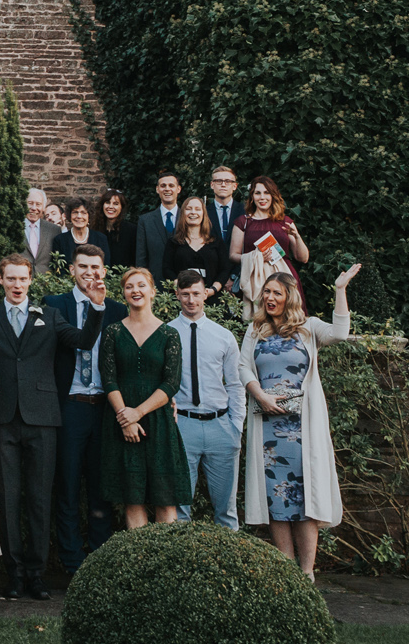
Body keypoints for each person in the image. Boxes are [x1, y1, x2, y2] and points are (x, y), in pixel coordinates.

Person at [0, 253, 103, 601]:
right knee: (8, 497)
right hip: (2, 416)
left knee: (41, 498)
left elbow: (83, 342)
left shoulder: (50, 316)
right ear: (0, 280)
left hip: (43, 417)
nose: (17, 285)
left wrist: (97, 309)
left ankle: (37, 575)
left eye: (22, 279)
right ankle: (14, 574)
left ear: (31, 281)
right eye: (10, 279)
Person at [240, 264, 359, 577]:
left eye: (276, 292)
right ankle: (286, 572)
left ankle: (306, 573)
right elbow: (242, 369)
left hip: (302, 428)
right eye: (266, 291)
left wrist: (340, 290)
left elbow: (340, 333)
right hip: (267, 427)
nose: (269, 297)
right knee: (275, 498)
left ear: (289, 297)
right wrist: (260, 396)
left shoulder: (309, 328)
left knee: (306, 499)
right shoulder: (255, 330)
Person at [43, 244, 124, 574]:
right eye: (83, 267)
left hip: (105, 407)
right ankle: (72, 562)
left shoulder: (117, 311)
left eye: (96, 267)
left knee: (102, 487)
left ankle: (100, 561)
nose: (90, 272)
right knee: (68, 485)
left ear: (104, 272)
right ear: (72, 270)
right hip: (70, 406)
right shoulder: (54, 305)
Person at [99, 266, 187, 528]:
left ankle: (165, 564)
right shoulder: (113, 332)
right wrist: (126, 419)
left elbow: (171, 382)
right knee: (132, 497)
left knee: (165, 497)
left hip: (158, 421)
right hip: (121, 420)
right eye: (129, 286)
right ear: (123, 293)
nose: (135, 291)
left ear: (152, 291)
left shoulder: (169, 334)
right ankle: (140, 564)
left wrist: (137, 413)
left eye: (140, 285)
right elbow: (109, 378)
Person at [168, 269, 243, 531]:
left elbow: (235, 384)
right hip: (181, 426)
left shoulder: (224, 336)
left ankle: (230, 567)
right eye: (185, 294)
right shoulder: (165, 334)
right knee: (178, 508)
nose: (191, 300)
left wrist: (237, 426)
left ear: (205, 295)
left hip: (220, 426)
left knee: (226, 509)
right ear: (177, 295)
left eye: (196, 294)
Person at [231, 176, 311, 299]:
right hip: (256, 279)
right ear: (252, 196)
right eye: (258, 193)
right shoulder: (243, 222)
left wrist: (297, 237)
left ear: (273, 195)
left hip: (284, 278)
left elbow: (303, 258)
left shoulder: (285, 221)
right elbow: (233, 255)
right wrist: (256, 256)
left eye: (266, 193)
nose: (262, 197)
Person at [164, 196, 230, 293]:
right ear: (183, 214)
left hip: (212, 301)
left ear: (203, 214)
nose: (193, 212)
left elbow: (225, 270)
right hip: (182, 299)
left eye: (198, 209)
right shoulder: (174, 242)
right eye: (188, 209)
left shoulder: (216, 242)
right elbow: (167, 269)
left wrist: (213, 290)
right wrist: (181, 289)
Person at [133, 172, 184, 272]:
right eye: (163, 186)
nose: (167, 189)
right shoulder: (145, 221)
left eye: (171, 185)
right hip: (155, 282)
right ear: (157, 189)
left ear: (178, 189)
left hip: (184, 281)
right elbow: (141, 257)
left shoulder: (187, 217)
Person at [50, 200, 96, 274]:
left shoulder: (100, 238)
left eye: (83, 213)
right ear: (69, 216)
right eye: (75, 212)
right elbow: (57, 269)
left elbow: (105, 266)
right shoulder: (60, 240)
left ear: (89, 216)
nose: (79, 216)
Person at [20, 187, 57, 276]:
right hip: (20, 280)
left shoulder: (54, 230)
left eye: (38, 204)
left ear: (43, 207)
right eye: (30, 203)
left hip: (46, 284)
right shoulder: (15, 227)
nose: (34, 208)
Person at [206, 164, 242, 252]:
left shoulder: (245, 211)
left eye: (228, 181)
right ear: (212, 185)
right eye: (218, 181)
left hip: (239, 264)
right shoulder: (204, 212)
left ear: (235, 186)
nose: (223, 184)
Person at [99, 190, 134, 268]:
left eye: (116, 204)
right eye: (107, 202)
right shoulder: (95, 229)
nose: (111, 206)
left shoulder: (131, 230)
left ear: (121, 207)